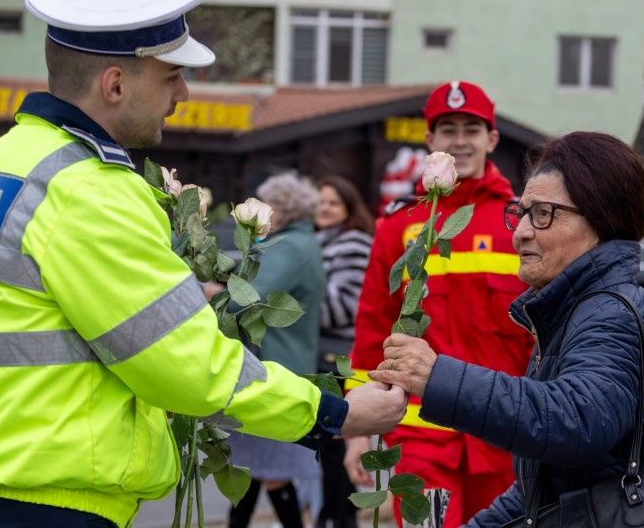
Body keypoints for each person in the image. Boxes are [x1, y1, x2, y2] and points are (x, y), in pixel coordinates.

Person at [0, 0, 407, 527]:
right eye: (170, 76)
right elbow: (191, 369)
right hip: (53, 499)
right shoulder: (90, 191)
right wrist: (334, 412)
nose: (182, 93)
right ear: (115, 84)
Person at [369, 131, 644, 527]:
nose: (520, 231)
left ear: (600, 218)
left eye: (542, 213)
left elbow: (573, 420)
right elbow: (541, 490)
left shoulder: (610, 312)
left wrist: (437, 377)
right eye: (521, 212)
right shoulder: (576, 310)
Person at [346, 81, 533, 527]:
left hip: (505, 435)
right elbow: (373, 327)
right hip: (423, 440)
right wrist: (357, 425)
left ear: (492, 139)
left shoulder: (521, 224)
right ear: (430, 142)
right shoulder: (400, 226)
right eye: (448, 129)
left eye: (472, 128)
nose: (461, 140)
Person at [228, 172, 326, 528]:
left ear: (282, 210)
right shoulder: (302, 243)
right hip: (286, 361)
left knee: (267, 467)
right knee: (260, 468)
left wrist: (210, 291)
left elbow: (247, 298)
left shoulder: (290, 247)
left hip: (274, 366)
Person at [314, 176, 375, 528]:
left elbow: (342, 308)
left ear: (350, 209)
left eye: (333, 202)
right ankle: (334, 515)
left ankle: (341, 518)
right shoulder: (323, 240)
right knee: (330, 447)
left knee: (337, 447)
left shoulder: (352, 243)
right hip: (326, 354)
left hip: (339, 357)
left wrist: (295, 305)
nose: (324, 208)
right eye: (321, 201)